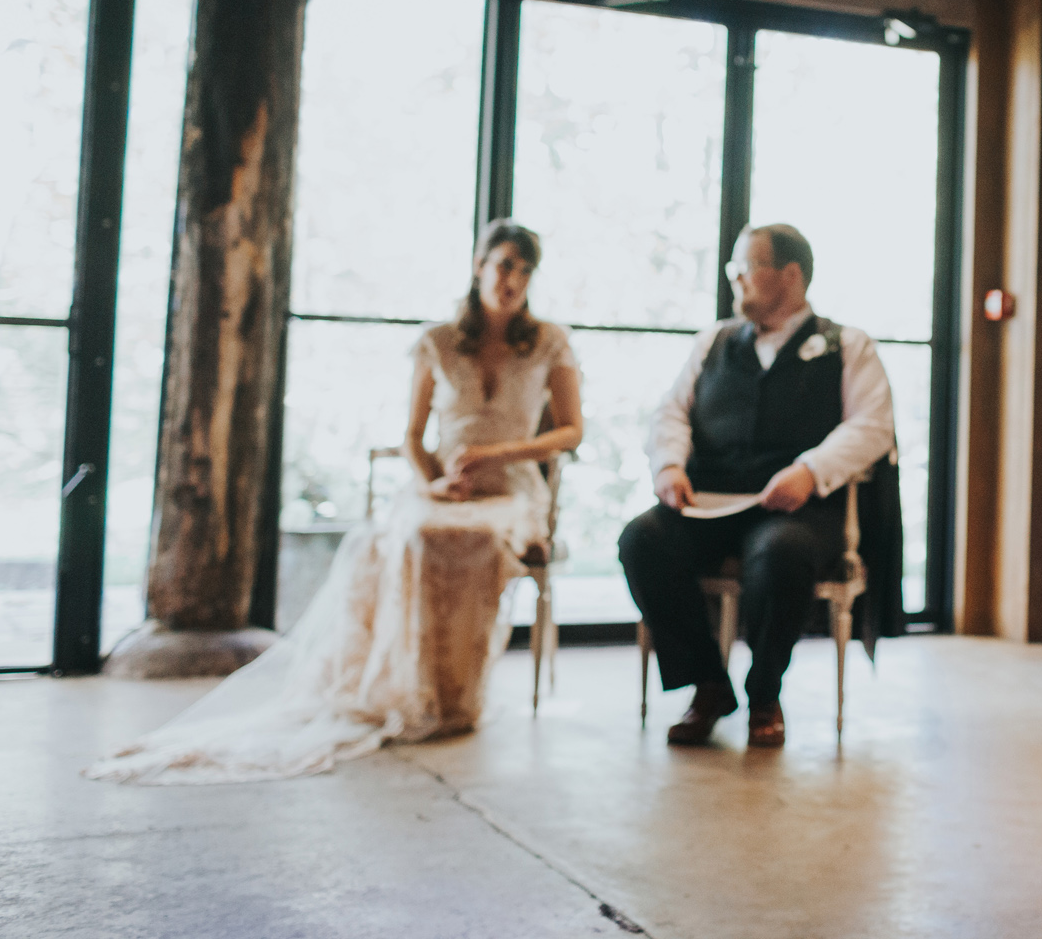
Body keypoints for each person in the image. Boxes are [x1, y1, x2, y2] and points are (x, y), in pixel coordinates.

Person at [87, 220, 582, 784]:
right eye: (503, 265)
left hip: (513, 488)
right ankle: (411, 687)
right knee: (408, 536)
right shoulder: (438, 341)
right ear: (479, 266)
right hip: (446, 486)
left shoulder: (549, 341)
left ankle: (460, 696)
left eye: (523, 270)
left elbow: (570, 432)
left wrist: (502, 453)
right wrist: (432, 484)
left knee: (472, 539)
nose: (512, 280)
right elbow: (413, 438)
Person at [620, 223, 895, 748]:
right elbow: (671, 413)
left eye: (744, 269)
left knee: (780, 553)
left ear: (790, 275)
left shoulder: (849, 346)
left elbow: (872, 426)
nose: (735, 280)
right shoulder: (715, 341)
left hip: (797, 511)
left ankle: (764, 694)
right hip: (709, 502)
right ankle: (707, 685)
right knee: (642, 540)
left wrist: (810, 470)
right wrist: (669, 465)